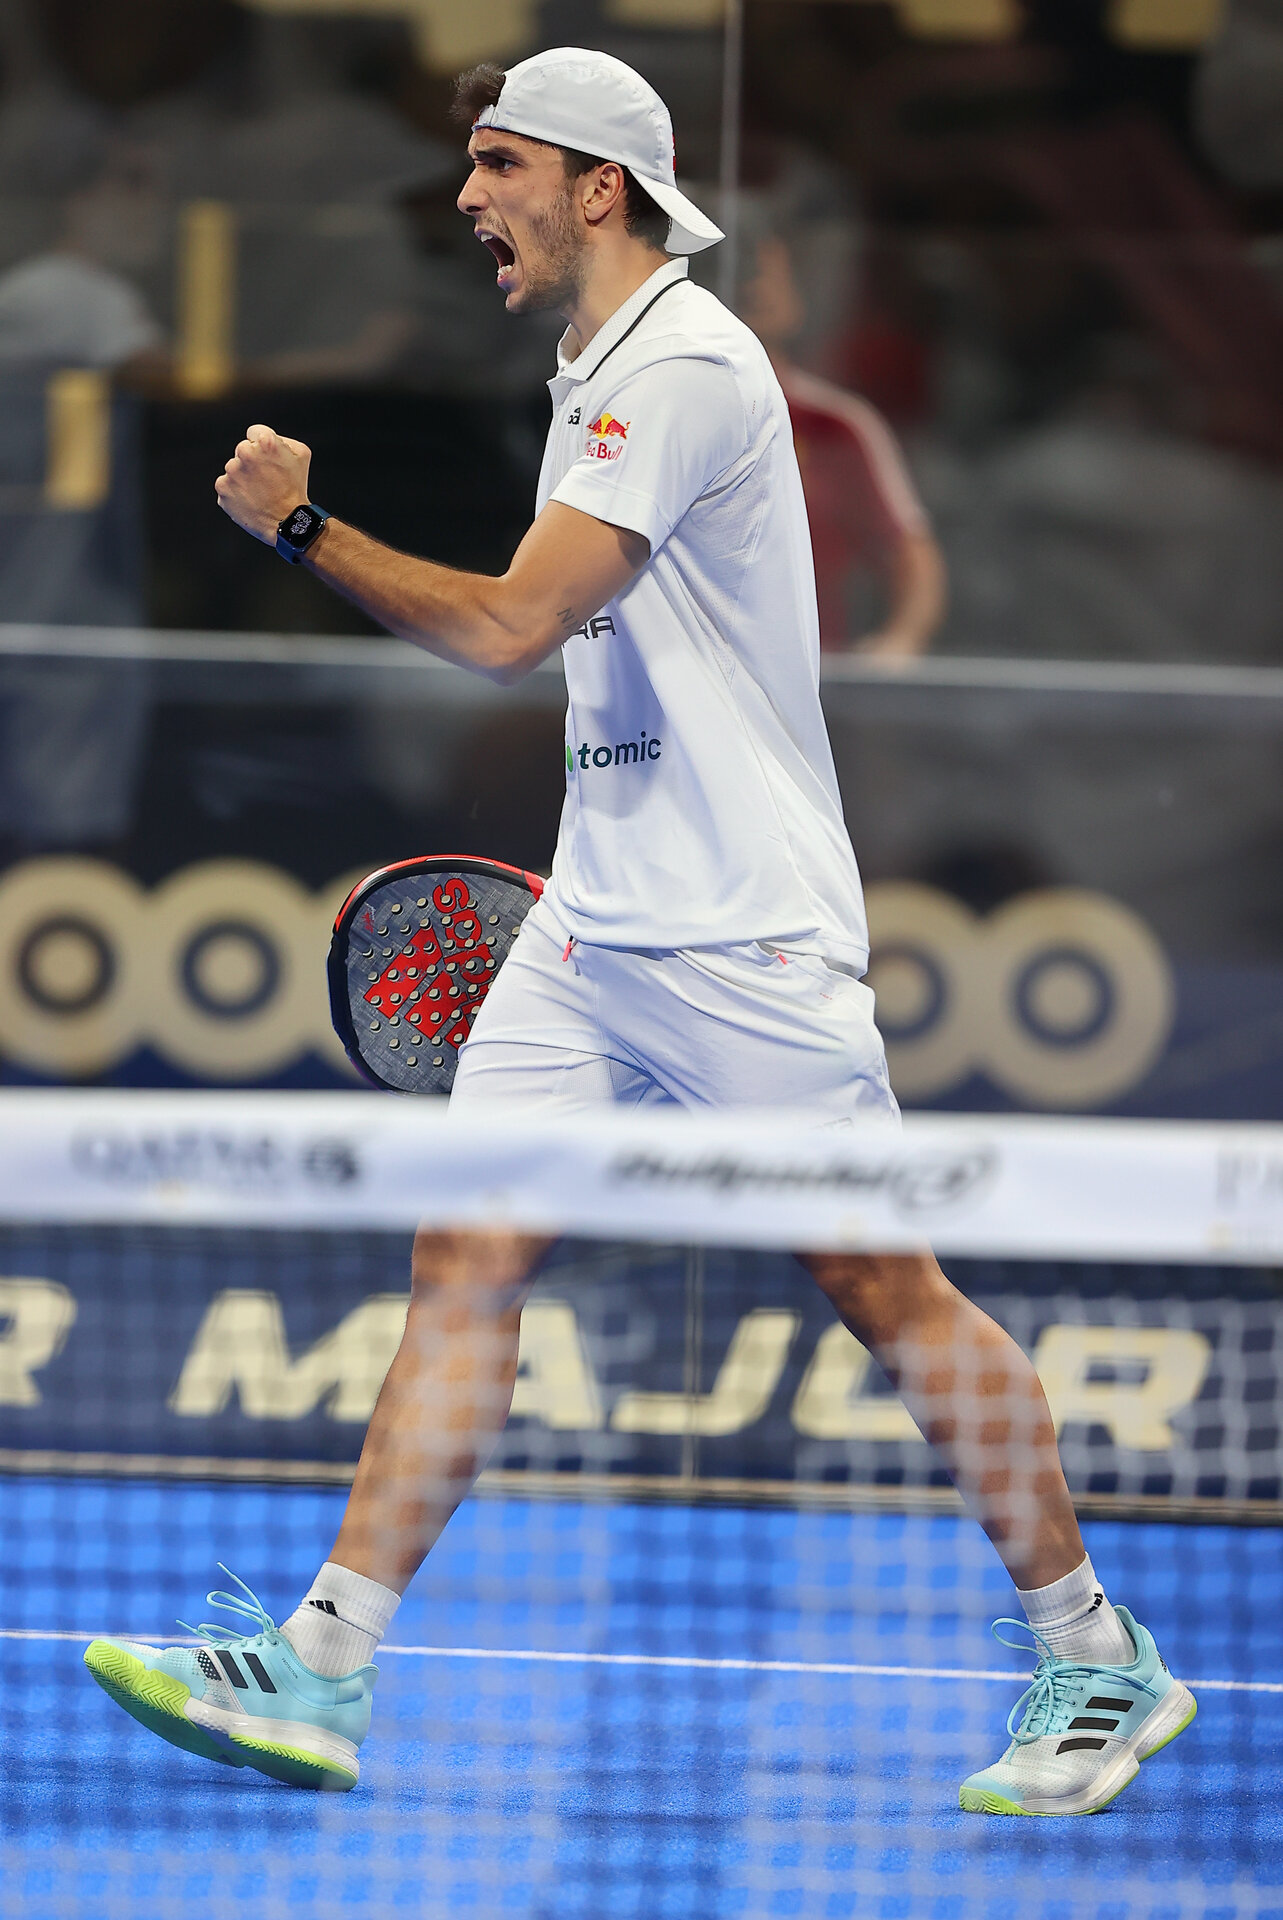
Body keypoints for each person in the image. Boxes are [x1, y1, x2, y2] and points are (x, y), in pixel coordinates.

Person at [84, 47, 1196, 1817]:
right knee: (466, 1268)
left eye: (498, 161)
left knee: (881, 1291)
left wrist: (296, 522)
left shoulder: (675, 361)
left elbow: (515, 629)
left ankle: (1095, 1654)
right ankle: (323, 1665)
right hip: (592, 924)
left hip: (742, 935)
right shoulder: (593, 360)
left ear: (596, 185)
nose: (467, 196)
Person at [739, 230, 946, 657]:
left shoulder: (838, 425)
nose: (755, 285)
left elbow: (915, 557)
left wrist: (896, 646)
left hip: (812, 686)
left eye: (770, 273)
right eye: (743, 271)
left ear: (796, 298)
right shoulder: (661, 412)